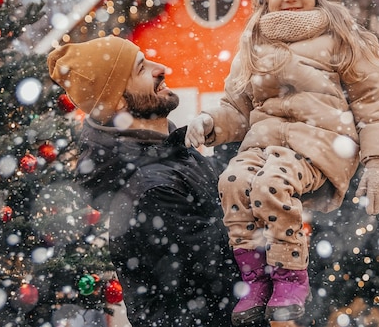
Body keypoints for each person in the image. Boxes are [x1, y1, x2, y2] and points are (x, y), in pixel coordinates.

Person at [185, 0, 379, 325]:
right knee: (231, 182)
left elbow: (373, 99)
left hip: (320, 142)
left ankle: (290, 276)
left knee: (270, 186)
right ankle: (256, 278)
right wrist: (210, 123)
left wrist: (377, 162)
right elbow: (238, 105)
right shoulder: (254, 42)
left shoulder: (339, 36)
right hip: (262, 145)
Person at [47, 36, 240, 327]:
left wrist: (238, 127)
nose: (161, 67)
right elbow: (226, 276)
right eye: (141, 69)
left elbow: (215, 195)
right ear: (121, 102)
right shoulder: (152, 189)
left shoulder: (169, 155)